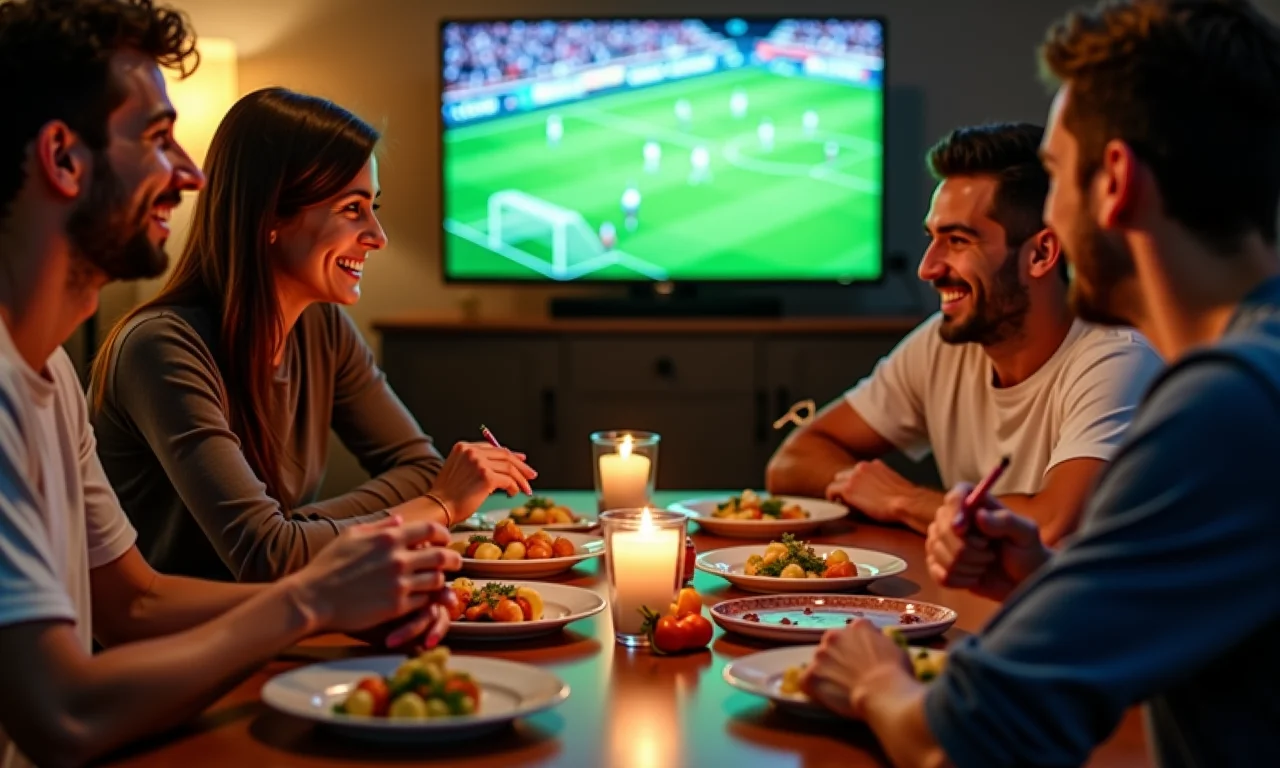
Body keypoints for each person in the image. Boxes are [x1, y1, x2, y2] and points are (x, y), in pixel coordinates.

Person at [802, 1, 1280, 766]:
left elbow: (961, 743)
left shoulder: (1227, 406)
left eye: (1055, 175)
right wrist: (1051, 579)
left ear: (1115, 180)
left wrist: (875, 679)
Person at [0, 1, 461, 766]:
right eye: (156, 138)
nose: (192, 173)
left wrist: (340, 603)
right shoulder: (42, 378)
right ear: (64, 157)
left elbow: (136, 602)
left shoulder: (49, 374)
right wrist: (311, 598)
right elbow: (65, 715)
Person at [88, 87, 536, 582]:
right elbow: (266, 556)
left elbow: (417, 466)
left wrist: (300, 531)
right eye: (351, 209)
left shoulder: (320, 327)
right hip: (181, 650)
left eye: (374, 207)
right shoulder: (162, 349)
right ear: (271, 218)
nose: (377, 236)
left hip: (276, 626)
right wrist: (440, 504)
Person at [766, 122, 1163, 544]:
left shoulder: (1117, 357)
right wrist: (863, 485)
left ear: (1042, 253)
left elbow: (1051, 525)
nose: (928, 268)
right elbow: (792, 460)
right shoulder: (943, 343)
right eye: (932, 238)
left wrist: (903, 499)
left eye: (957, 240)